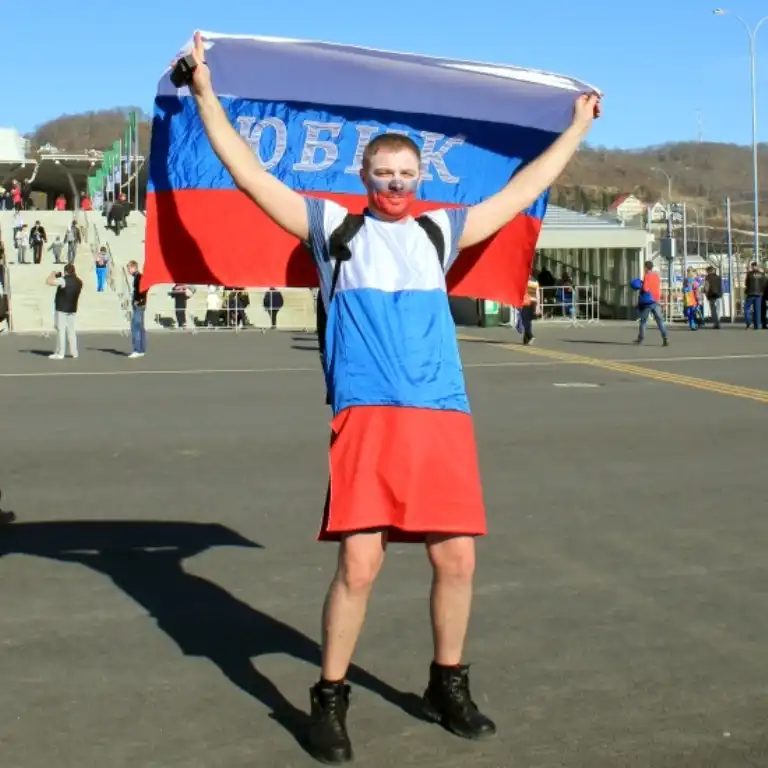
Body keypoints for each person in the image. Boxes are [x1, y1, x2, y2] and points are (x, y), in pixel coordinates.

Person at [181, 31, 599, 764]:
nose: (396, 185)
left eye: (406, 174)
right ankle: (329, 698)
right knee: (359, 567)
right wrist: (206, 94)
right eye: (384, 173)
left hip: (442, 414)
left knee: (457, 562)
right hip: (367, 416)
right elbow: (246, 172)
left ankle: (447, 684)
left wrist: (575, 130)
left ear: (420, 176)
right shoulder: (331, 228)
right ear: (365, 174)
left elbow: (519, 192)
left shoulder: (442, 230)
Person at [46, 264, 83, 360]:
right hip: (72, 308)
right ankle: (74, 352)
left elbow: (49, 281)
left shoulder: (63, 280)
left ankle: (60, 352)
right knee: (71, 330)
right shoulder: (79, 281)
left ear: (66, 271)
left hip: (62, 308)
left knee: (61, 330)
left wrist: (53, 274)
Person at [631, 261, 669, 346]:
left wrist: (641, 285)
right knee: (659, 321)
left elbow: (645, 288)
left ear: (646, 267)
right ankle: (665, 337)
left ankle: (640, 338)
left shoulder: (647, 276)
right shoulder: (656, 276)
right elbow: (658, 287)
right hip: (656, 300)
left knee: (643, 321)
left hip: (648, 301)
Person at [126, 260, 147, 357]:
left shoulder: (139, 277)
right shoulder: (138, 277)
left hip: (139, 305)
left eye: (129, 268)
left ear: (134, 267)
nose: (128, 270)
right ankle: (141, 349)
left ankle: (137, 349)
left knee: (136, 327)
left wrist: (139, 300)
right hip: (140, 304)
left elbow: (143, 290)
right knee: (140, 327)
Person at [743, 261, 764, 330]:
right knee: (757, 310)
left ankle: (748, 322)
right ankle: (757, 326)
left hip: (750, 294)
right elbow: (764, 284)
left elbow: (746, 284)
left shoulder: (749, 274)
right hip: (759, 294)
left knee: (746, 308)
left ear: (752, 266)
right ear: (757, 266)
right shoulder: (762, 274)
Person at [703, 265, 722, 330]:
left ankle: (716, 324)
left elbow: (706, 287)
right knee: (718, 310)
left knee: (713, 310)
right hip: (718, 296)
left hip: (711, 296)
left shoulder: (708, 278)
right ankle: (718, 322)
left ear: (709, 271)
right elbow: (720, 287)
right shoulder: (718, 277)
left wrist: (706, 294)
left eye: (707, 271)